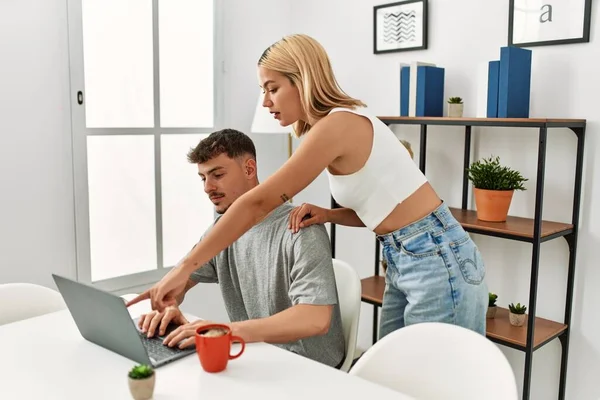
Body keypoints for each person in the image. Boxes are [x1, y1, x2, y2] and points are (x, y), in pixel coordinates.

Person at [127, 33, 488, 339]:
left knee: (433, 382)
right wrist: (331, 214)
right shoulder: (325, 130)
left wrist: (185, 266)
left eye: (273, 88)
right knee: (395, 384)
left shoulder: (338, 125)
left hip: (437, 258)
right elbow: (387, 210)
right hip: (404, 256)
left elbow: (259, 203)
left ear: (302, 79)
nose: (266, 101)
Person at [135, 129, 345, 368]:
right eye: (203, 178)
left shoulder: (302, 228)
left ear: (249, 169)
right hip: (256, 356)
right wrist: (168, 307)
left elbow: (315, 319)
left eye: (217, 175)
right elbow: (180, 283)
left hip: (309, 367)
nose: (207, 187)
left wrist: (225, 331)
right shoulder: (221, 232)